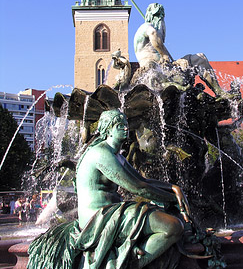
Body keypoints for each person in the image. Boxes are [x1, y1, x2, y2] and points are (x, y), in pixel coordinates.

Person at [28, 109, 190, 269]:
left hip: (111, 213)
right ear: (108, 130)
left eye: (125, 124)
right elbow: (138, 188)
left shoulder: (116, 155)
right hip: (97, 219)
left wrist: (173, 188)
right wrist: (173, 198)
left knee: (164, 218)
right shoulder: (101, 153)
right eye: (119, 125)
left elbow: (142, 180)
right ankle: (125, 264)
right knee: (173, 227)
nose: (125, 128)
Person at [134, 3, 239, 100]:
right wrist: (164, 54)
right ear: (151, 16)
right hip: (152, 71)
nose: (160, 19)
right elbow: (153, 34)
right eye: (158, 16)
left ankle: (218, 91)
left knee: (200, 58)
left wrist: (177, 61)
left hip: (166, 69)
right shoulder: (145, 27)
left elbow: (162, 49)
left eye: (162, 16)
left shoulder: (159, 38)